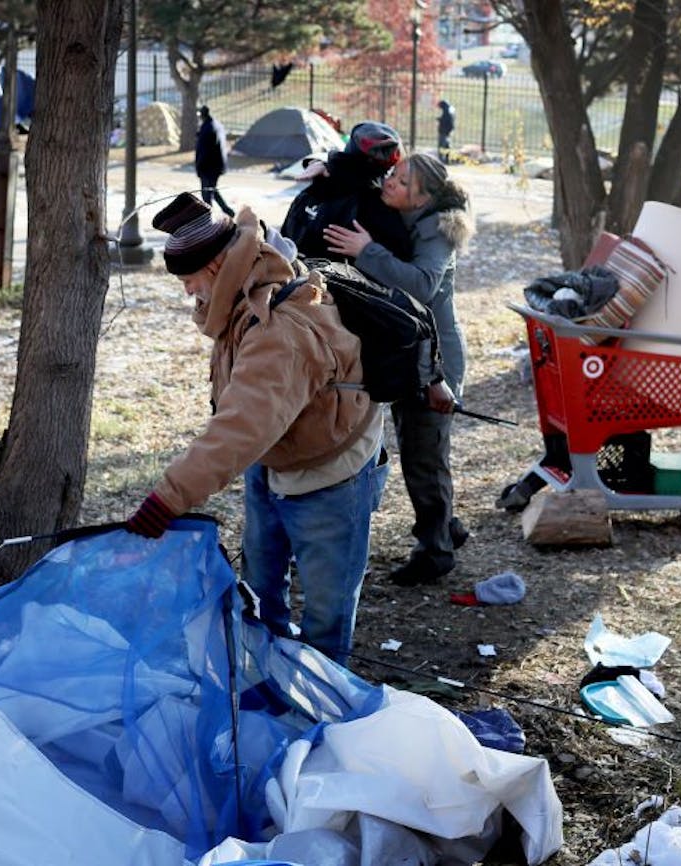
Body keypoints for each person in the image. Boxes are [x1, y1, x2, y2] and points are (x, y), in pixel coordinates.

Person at [126, 193, 389, 664]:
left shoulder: (279, 330)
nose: (188, 292)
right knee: (261, 593)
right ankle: (268, 678)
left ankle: (320, 714)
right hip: (273, 464)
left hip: (331, 475)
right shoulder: (241, 291)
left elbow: (240, 426)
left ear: (215, 266)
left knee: (325, 621)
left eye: (188, 279)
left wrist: (167, 499)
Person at [324, 152, 475, 586]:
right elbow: (361, 164)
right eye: (393, 173)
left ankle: (436, 552)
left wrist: (365, 251)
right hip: (414, 350)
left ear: (423, 197)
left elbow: (424, 286)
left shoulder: (439, 232)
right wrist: (325, 166)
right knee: (422, 448)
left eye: (402, 181)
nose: (390, 182)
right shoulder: (407, 213)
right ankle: (447, 526)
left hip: (437, 361)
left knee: (423, 455)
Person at [280, 121, 414, 263]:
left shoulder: (311, 192)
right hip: (331, 282)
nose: (391, 182)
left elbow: (281, 247)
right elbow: (406, 273)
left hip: (290, 278)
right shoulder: (381, 209)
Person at [194, 106, 234, 217]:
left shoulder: (208, 128)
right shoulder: (215, 125)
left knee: (207, 193)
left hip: (208, 166)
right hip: (217, 165)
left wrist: (199, 167)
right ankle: (228, 211)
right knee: (212, 190)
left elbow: (204, 150)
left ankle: (208, 218)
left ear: (202, 115)